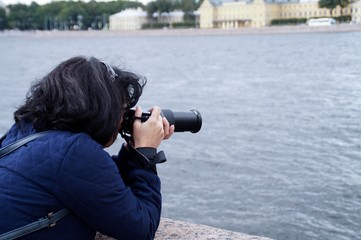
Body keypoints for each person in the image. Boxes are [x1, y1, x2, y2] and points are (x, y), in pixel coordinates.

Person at [0, 56, 174, 240]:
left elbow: (98, 183)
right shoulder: (74, 151)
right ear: (103, 109)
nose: (122, 119)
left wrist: (134, 150)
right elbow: (142, 228)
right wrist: (146, 152)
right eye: (121, 109)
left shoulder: (22, 130)